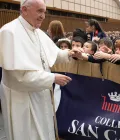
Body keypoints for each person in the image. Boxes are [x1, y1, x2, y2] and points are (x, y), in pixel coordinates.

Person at [0, 0, 81, 139]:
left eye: (44, 12)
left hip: (40, 92)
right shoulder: (9, 32)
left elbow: (53, 54)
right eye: (39, 11)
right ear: (24, 10)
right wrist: (52, 78)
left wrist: (69, 53)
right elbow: (18, 77)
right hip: (22, 98)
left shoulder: (38, 32)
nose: (43, 16)